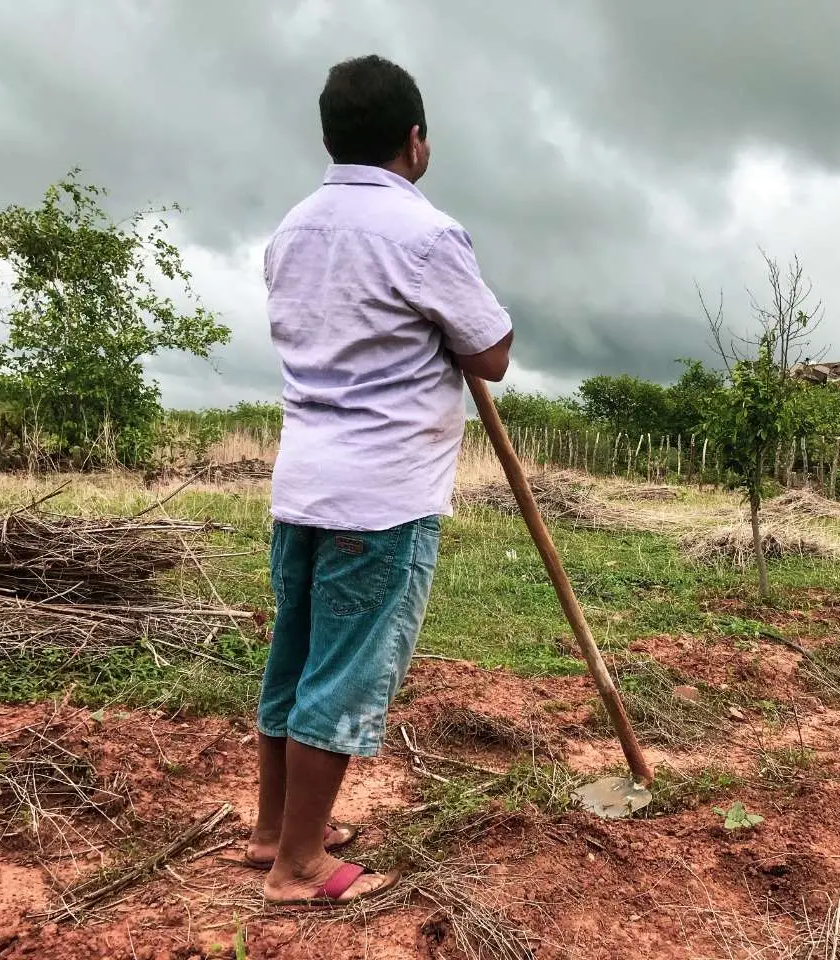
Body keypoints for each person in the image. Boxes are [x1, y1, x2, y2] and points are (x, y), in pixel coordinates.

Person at [247, 54, 514, 905]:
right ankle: (300, 867)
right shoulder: (425, 234)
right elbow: (493, 353)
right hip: (382, 494)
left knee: (294, 656)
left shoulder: (291, 230)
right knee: (345, 671)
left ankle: (272, 833)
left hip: (304, 485)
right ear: (415, 140)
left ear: (329, 138)